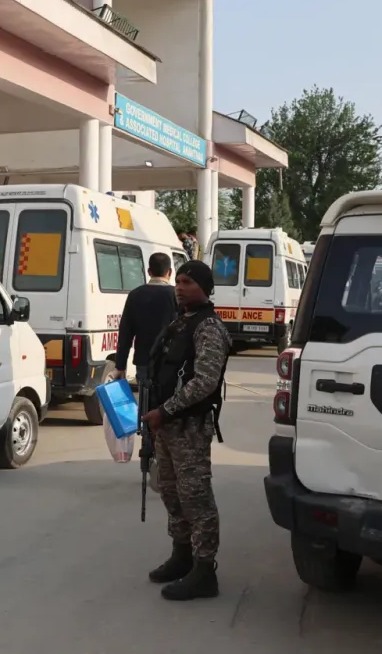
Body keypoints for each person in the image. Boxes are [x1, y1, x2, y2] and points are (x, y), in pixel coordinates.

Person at [142, 260, 232, 601]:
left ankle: (205, 571)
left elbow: (205, 382)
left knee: (196, 498)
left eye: (187, 282)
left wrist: (165, 410)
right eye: (177, 281)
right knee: (171, 492)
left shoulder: (209, 327)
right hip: (166, 426)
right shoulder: (181, 321)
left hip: (189, 426)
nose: (179, 287)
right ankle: (182, 556)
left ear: (204, 288)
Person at [113, 252, 176, 383]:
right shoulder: (176, 295)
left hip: (143, 362)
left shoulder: (135, 295)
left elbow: (125, 333)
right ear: (170, 272)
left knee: (145, 395)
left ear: (149, 271)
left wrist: (120, 365)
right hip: (170, 362)